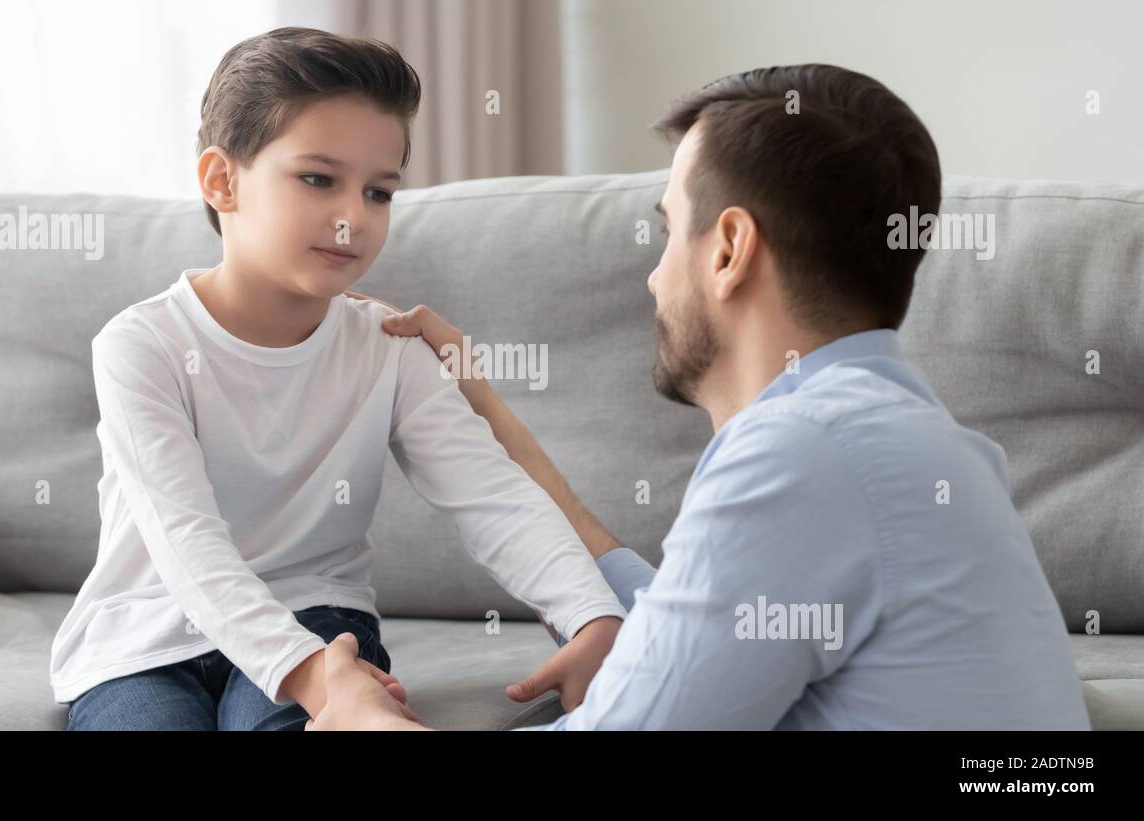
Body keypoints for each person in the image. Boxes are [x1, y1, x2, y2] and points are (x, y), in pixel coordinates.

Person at [309, 64, 1092, 731]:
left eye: (667, 232)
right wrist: (479, 404)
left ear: (728, 250)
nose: (653, 277)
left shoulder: (805, 454)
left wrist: (358, 713)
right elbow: (688, 629)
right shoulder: (914, 443)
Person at [51, 27, 627, 730]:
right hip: (144, 639)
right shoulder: (140, 347)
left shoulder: (390, 348)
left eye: (379, 192)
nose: (354, 217)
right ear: (221, 180)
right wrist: (326, 686)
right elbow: (188, 544)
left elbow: (492, 496)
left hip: (321, 617)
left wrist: (591, 614)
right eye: (318, 179)